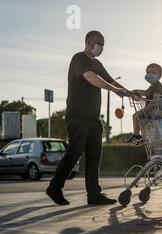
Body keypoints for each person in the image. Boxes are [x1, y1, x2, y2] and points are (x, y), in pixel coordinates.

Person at [46, 30, 128, 206]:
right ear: (89, 42)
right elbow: (91, 78)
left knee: (94, 156)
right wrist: (114, 90)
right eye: (100, 43)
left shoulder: (97, 63)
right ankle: (54, 187)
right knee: (75, 152)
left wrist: (129, 92)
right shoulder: (79, 59)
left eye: (103, 45)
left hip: (93, 119)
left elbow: (112, 82)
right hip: (77, 116)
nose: (101, 47)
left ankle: (94, 195)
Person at [127, 63, 162, 146]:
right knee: (142, 121)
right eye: (148, 72)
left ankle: (136, 136)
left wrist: (144, 110)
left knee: (136, 116)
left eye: (153, 73)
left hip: (155, 111)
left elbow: (155, 101)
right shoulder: (152, 87)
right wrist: (135, 91)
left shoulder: (158, 86)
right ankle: (144, 139)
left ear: (159, 75)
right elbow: (145, 92)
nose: (149, 75)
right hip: (152, 112)